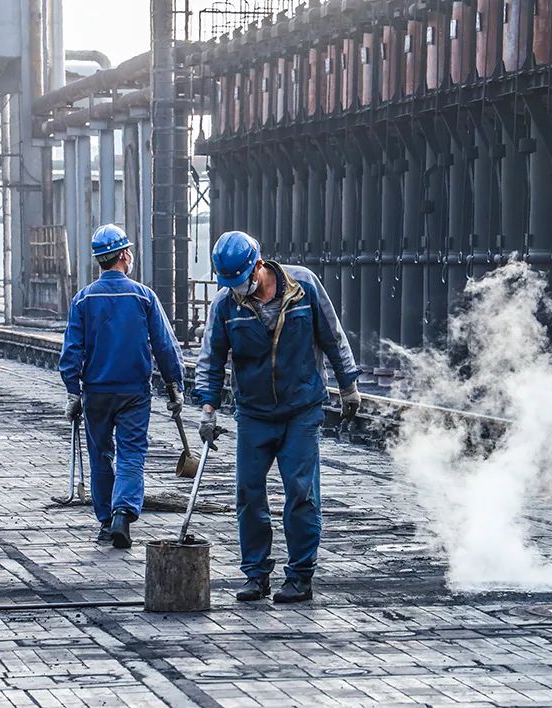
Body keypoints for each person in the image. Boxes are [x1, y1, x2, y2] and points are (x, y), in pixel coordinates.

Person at [194, 231, 361, 603]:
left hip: (301, 410)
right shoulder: (225, 304)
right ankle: (256, 575)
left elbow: (332, 334)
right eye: (231, 285)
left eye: (241, 281)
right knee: (248, 493)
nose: (238, 290)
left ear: (258, 266)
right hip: (253, 414)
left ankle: (300, 576)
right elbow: (211, 358)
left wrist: (348, 384)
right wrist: (207, 410)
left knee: (301, 493)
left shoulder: (303, 286)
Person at [59, 224, 184, 549]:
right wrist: (175, 385)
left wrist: (73, 391)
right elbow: (164, 347)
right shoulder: (143, 296)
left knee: (100, 455)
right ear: (125, 255)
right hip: (134, 394)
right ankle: (122, 514)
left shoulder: (83, 299)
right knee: (131, 454)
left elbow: (71, 350)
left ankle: (105, 523)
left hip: (96, 392)